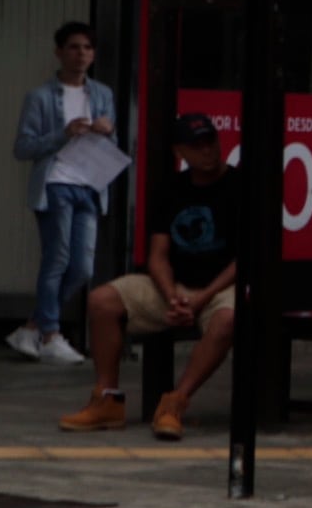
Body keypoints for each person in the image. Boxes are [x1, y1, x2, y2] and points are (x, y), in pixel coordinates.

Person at [64, 113, 241, 440]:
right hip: (176, 286)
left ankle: (175, 403)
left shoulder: (239, 186)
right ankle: (107, 399)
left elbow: (245, 260)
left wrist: (200, 299)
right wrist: (172, 295)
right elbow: (157, 255)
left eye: (211, 141)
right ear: (179, 152)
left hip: (220, 286)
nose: (207, 150)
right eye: (196, 145)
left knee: (228, 319)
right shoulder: (172, 189)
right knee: (102, 300)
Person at [6, 21, 119, 367]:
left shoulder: (102, 94)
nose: (81, 53)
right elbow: (23, 148)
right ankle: (51, 335)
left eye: (87, 47)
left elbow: (112, 145)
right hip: (55, 184)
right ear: (59, 52)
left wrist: (107, 131)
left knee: (82, 267)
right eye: (73, 47)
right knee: (57, 259)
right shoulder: (39, 97)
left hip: (90, 185)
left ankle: (32, 327)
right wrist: (63, 134)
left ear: (93, 54)